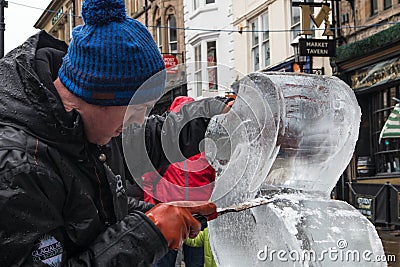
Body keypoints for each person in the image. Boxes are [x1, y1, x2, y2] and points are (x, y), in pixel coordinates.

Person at [0, 0, 230, 266]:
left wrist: (217, 114)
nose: (140, 120)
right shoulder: (18, 169)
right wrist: (148, 233)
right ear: (97, 95)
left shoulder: (88, 128)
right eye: (137, 108)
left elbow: (157, 136)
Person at [142, 96, 217, 267]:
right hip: (167, 219)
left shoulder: (205, 149)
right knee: (163, 262)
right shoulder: (162, 148)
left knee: (196, 261)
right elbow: (148, 180)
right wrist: (152, 209)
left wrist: (211, 215)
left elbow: (214, 180)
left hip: (197, 220)